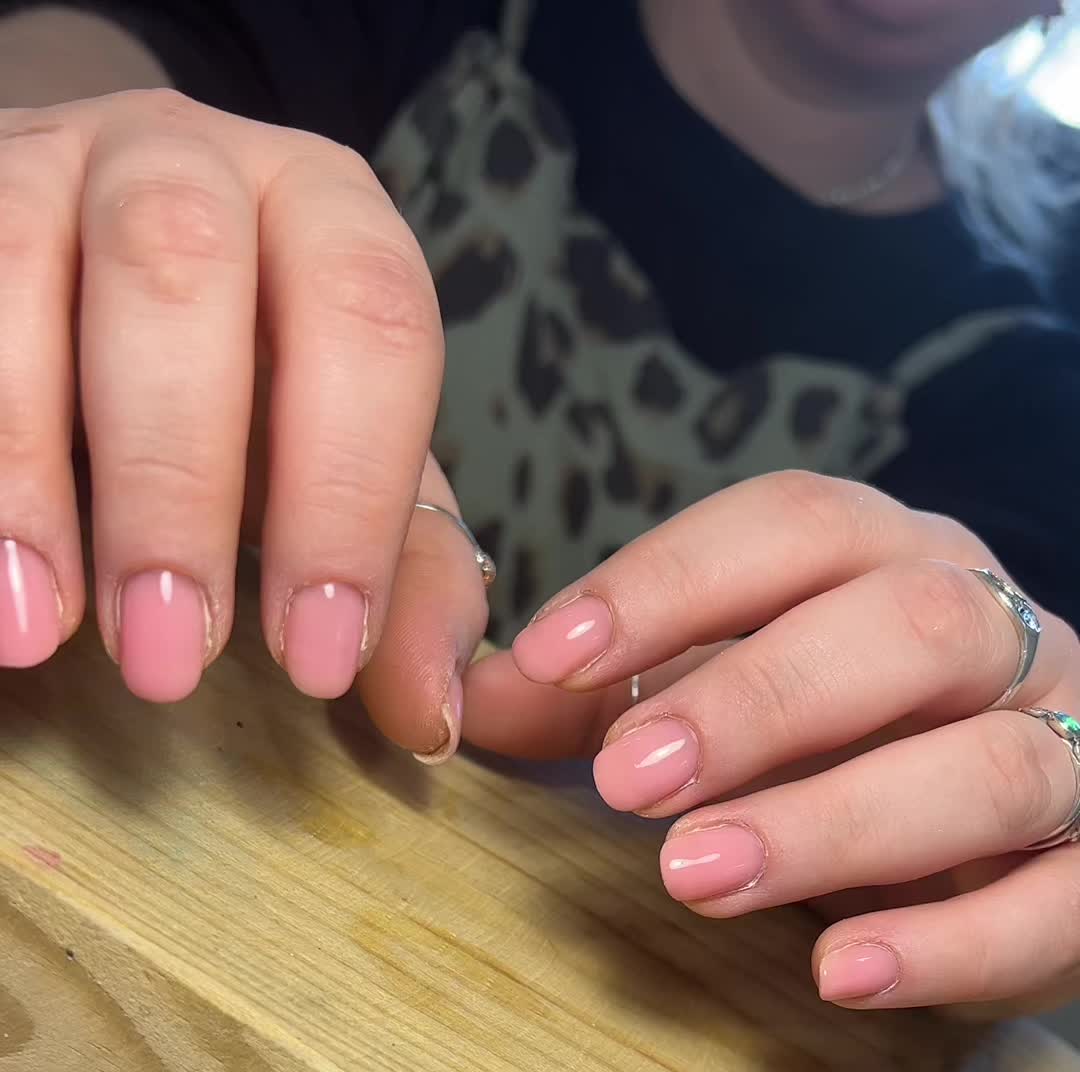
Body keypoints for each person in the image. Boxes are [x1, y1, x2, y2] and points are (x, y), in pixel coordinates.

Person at [1, 0, 1080, 1011]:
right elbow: (99, 66)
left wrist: (1020, 805)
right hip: (125, 824)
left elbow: (1019, 726)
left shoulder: (1036, 375)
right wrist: (85, 182)